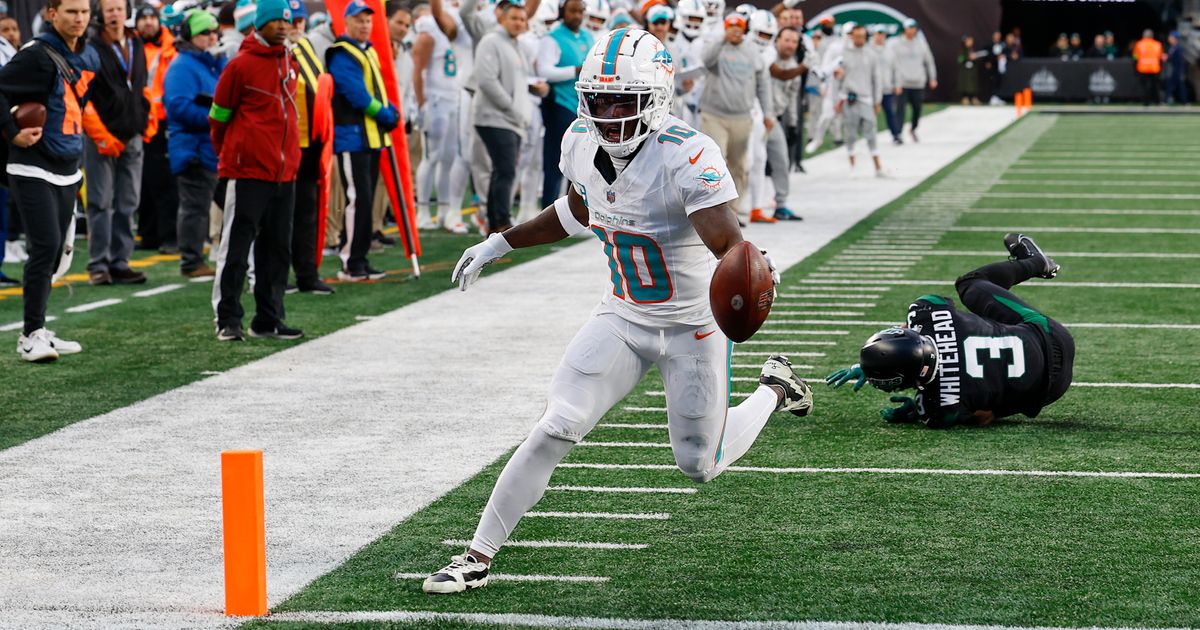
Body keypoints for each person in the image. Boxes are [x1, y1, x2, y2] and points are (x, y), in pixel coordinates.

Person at [422, 29, 812, 593]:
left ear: (655, 98)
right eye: (598, 99)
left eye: (621, 100)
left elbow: (727, 241)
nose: (607, 114)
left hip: (691, 327)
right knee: (555, 425)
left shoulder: (688, 153)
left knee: (700, 464)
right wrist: (501, 242)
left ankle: (773, 388)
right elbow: (577, 208)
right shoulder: (580, 140)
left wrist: (750, 264)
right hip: (622, 316)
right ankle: (476, 556)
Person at [826, 234, 1074, 430]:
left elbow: (983, 417)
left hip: (1051, 390)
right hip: (1050, 335)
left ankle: (1034, 263)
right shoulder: (926, 310)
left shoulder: (938, 411)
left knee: (991, 404)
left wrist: (915, 408)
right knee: (970, 284)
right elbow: (926, 317)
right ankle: (1034, 262)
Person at [0, 0, 97, 362]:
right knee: (45, 246)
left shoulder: (88, 55)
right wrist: (11, 131)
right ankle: (29, 336)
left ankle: (39, 327)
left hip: (67, 163)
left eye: (84, 12)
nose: (79, 18)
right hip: (32, 164)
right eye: (71, 11)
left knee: (58, 253)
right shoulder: (36, 55)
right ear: (52, 13)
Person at [208, 0, 303, 341]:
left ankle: (269, 318)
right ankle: (227, 318)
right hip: (248, 172)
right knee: (236, 246)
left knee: (277, 249)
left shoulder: (291, 60)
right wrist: (233, 156)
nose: (282, 25)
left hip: (284, 172)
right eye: (274, 19)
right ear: (259, 23)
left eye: (286, 20)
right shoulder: (240, 65)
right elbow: (218, 116)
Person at [327, 0, 399, 281]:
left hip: (369, 137)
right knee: (358, 200)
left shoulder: (366, 50)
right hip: (352, 137)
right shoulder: (343, 52)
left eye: (368, 20)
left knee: (364, 201)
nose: (365, 25)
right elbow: (355, 94)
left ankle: (359, 257)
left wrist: (387, 112)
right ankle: (351, 262)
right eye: (359, 20)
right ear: (347, 22)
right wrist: (385, 114)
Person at [82, 0, 152, 286]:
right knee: (100, 202)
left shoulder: (136, 43)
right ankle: (98, 264)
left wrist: (146, 118)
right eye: (109, 9)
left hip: (132, 133)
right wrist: (99, 133)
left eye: (119, 9)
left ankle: (120, 261)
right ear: (100, 13)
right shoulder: (90, 46)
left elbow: (142, 85)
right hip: (100, 135)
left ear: (127, 12)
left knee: (128, 201)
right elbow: (84, 92)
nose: (114, 14)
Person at [472, 1, 548, 233]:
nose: (519, 23)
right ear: (502, 18)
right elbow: (486, 81)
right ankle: (501, 222)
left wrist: (535, 90)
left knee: (501, 170)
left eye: (523, 19)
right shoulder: (491, 41)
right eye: (514, 18)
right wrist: (512, 110)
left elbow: (519, 82)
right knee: (506, 170)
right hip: (495, 117)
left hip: (509, 119)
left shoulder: (515, 45)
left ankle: (496, 223)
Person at [164, 9, 225, 278]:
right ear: (190, 36)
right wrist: (218, 118)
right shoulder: (183, 66)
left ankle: (197, 257)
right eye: (205, 33)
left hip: (208, 147)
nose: (212, 37)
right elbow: (178, 107)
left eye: (214, 32)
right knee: (195, 208)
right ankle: (191, 261)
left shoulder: (211, 62)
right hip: (193, 149)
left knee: (204, 207)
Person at [701, 13, 773, 226]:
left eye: (738, 26)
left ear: (744, 29)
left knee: (739, 164)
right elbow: (705, 61)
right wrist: (721, 39)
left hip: (742, 115)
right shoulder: (717, 46)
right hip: (714, 114)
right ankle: (713, 209)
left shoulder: (752, 50)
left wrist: (768, 113)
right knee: (716, 161)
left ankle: (732, 209)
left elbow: (763, 83)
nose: (735, 30)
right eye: (731, 26)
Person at [287, 1, 336, 294]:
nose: (295, 26)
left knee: (307, 212)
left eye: (299, 20)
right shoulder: (278, 50)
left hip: (311, 146)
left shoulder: (305, 48)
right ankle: (274, 278)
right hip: (285, 145)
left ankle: (306, 273)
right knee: (280, 217)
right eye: (290, 20)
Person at [536, 0, 592, 207]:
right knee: (555, 161)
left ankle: (577, 211)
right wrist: (575, 70)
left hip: (583, 109)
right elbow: (544, 70)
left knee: (581, 164)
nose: (577, 15)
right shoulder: (552, 39)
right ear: (562, 12)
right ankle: (547, 208)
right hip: (559, 104)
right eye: (572, 11)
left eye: (580, 11)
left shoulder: (587, 36)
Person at [135, 3, 179, 255]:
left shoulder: (170, 49)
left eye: (153, 17)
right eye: (144, 18)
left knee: (164, 183)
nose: (148, 22)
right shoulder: (132, 47)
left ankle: (169, 236)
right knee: (143, 184)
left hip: (163, 123)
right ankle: (149, 233)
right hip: (139, 122)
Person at [836, 24, 882, 177]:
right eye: (856, 36)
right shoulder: (844, 53)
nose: (859, 39)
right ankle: (853, 167)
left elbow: (877, 79)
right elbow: (838, 79)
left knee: (871, 132)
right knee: (850, 133)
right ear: (852, 36)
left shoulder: (871, 54)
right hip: (849, 98)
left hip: (866, 98)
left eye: (862, 36)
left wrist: (877, 100)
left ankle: (878, 167)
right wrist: (838, 98)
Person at [768, 25, 803, 220]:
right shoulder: (767, 56)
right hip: (754, 114)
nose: (790, 44)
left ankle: (781, 204)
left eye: (794, 41)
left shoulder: (793, 65)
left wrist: (793, 124)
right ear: (777, 40)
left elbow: (792, 97)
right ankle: (737, 207)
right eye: (787, 40)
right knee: (747, 164)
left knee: (781, 160)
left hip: (774, 117)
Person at [891, 17, 935, 143]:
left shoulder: (921, 44)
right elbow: (892, 64)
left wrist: (932, 78)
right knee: (900, 109)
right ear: (904, 29)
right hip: (902, 82)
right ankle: (898, 134)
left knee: (917, 108)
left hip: (918, 82)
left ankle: (913, 128)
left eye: (913, 28)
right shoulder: (896, 44)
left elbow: (929, 61)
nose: (911, 31)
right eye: (909, 28)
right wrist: (895, 82)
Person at [872, 25, 900, 143]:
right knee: (870, 115)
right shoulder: (868, 49)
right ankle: (870, 138)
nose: (880, 36)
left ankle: (895, 135)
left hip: (886, 88)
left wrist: (897, 84)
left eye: (882, 34)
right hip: (871, 89)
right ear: (874, 35)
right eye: (878, 34)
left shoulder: (890, 51)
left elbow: (896, 69)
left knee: (890, 112)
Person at [1133, 29, 1164, 106]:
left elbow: (1135, 57)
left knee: (1144, 86)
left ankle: (1146, 102)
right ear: (1152, 36)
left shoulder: (1139, 44)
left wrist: (1135, 67)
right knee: (1155, 86)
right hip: (1154, 68)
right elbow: (1161, 58)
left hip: (1142, 68)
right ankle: (1157, 101)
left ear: (1144, 36)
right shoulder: (1158, 44)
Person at [1165, 31, 1188, 106]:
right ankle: (1168, 99)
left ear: (1175, 39)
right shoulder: (1171, 47)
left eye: (1171, 37)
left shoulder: (1178, 48)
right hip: (1173, 69)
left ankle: (1185, 102)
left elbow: (1179, 60)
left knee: (1181, 86)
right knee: (1171, 85)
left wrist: (1167, 58)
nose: (1169, 38)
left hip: (1178, 69)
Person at [958, 35, 980, 105]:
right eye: (969, 41)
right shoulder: (962, 50)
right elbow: (959, 59)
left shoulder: (973, 49)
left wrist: (975, 58)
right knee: (965, 84)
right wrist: (967, 58)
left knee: (973, 84)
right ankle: (965, 98)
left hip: (972, 70)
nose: (970, 42)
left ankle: (974, 98)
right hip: (965, 71)